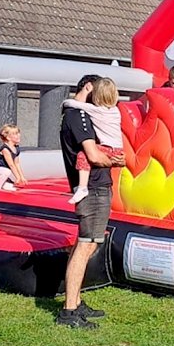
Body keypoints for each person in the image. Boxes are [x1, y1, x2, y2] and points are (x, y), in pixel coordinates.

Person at [57, 75, 125, 329]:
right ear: (88, 88)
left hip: (96, 186)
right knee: (85, 245)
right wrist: (116, 161)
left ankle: (75, 300)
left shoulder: (81, 114)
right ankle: (69, 311)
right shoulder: (78, 116)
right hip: (93, 188)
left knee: (85, 245)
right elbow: (94, 155)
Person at [62, 77, 124, 205]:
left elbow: (94, 157)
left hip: (108, 151)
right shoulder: (115, 111)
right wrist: (115, 161)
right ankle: (82, 188)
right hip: (116, 149)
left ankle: (82, 187)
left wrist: (65, 103)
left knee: (82, 156)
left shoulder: (95, 110)